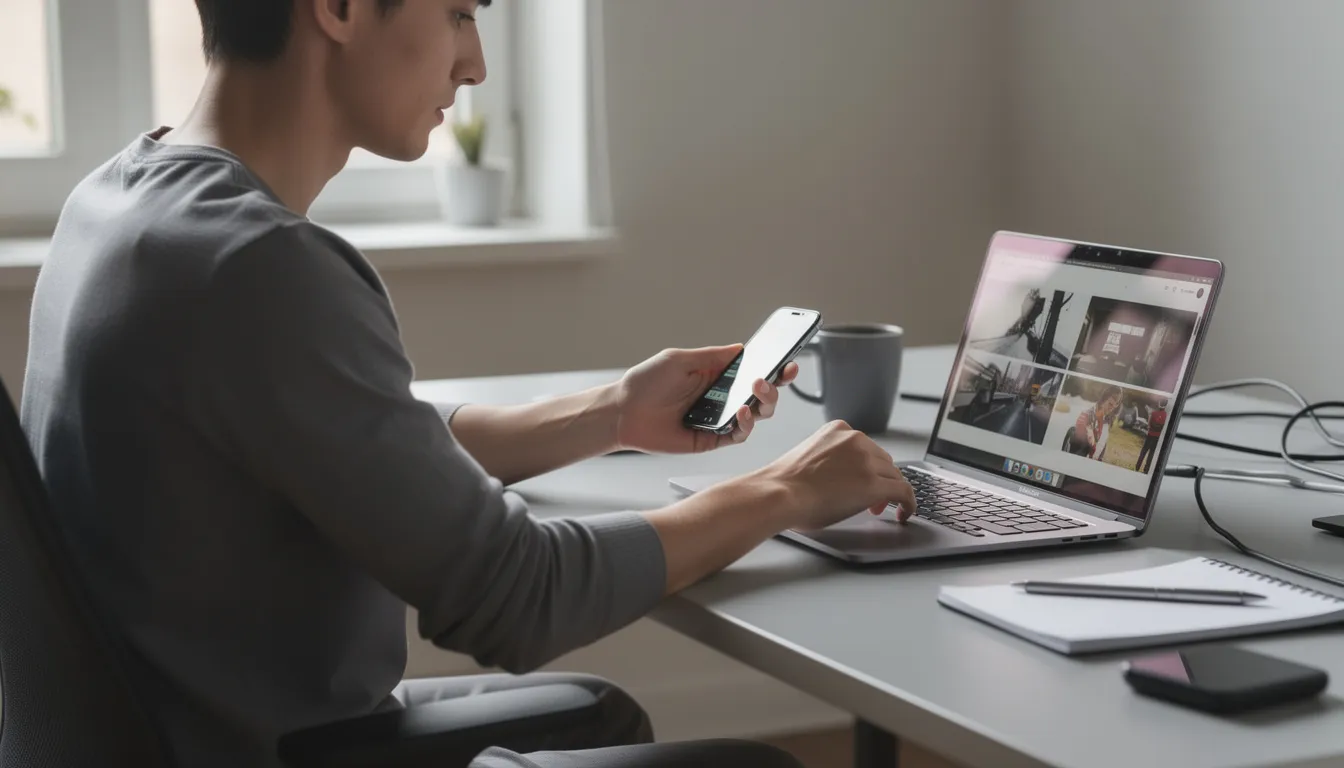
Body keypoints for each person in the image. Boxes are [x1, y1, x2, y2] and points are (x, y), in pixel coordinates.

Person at [19, 2, 917, 768]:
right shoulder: (257, 265)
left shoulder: (121, 203)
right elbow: (516, 599)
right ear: (334, 7)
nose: (476, 63)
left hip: (181, 729)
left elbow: (349, 437)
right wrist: (785, 489)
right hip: (275, 747)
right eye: (456, 12)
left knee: (597, 717)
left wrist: (608, 414)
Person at [1136, 399, 1168, 473]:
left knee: (1143, 451)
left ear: (1159, 403)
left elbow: (1149, 426)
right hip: (1157, 437)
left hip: (1150, 436)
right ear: (1165, 405)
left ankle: (1137, 467)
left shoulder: (1153, 413)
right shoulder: (1165, 415)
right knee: (1151, 454)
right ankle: (1146, 470)